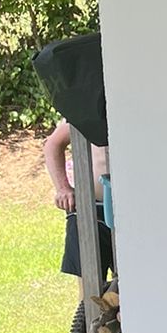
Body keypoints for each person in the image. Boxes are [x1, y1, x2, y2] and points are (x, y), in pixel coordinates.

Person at [43, 119, 113, 300]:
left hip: (131, 213)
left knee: (127, 287)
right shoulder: (88, 111)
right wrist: (63, 188)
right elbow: (53, 144)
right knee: (89, 293)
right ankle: (88, 318)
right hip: (92, 209)